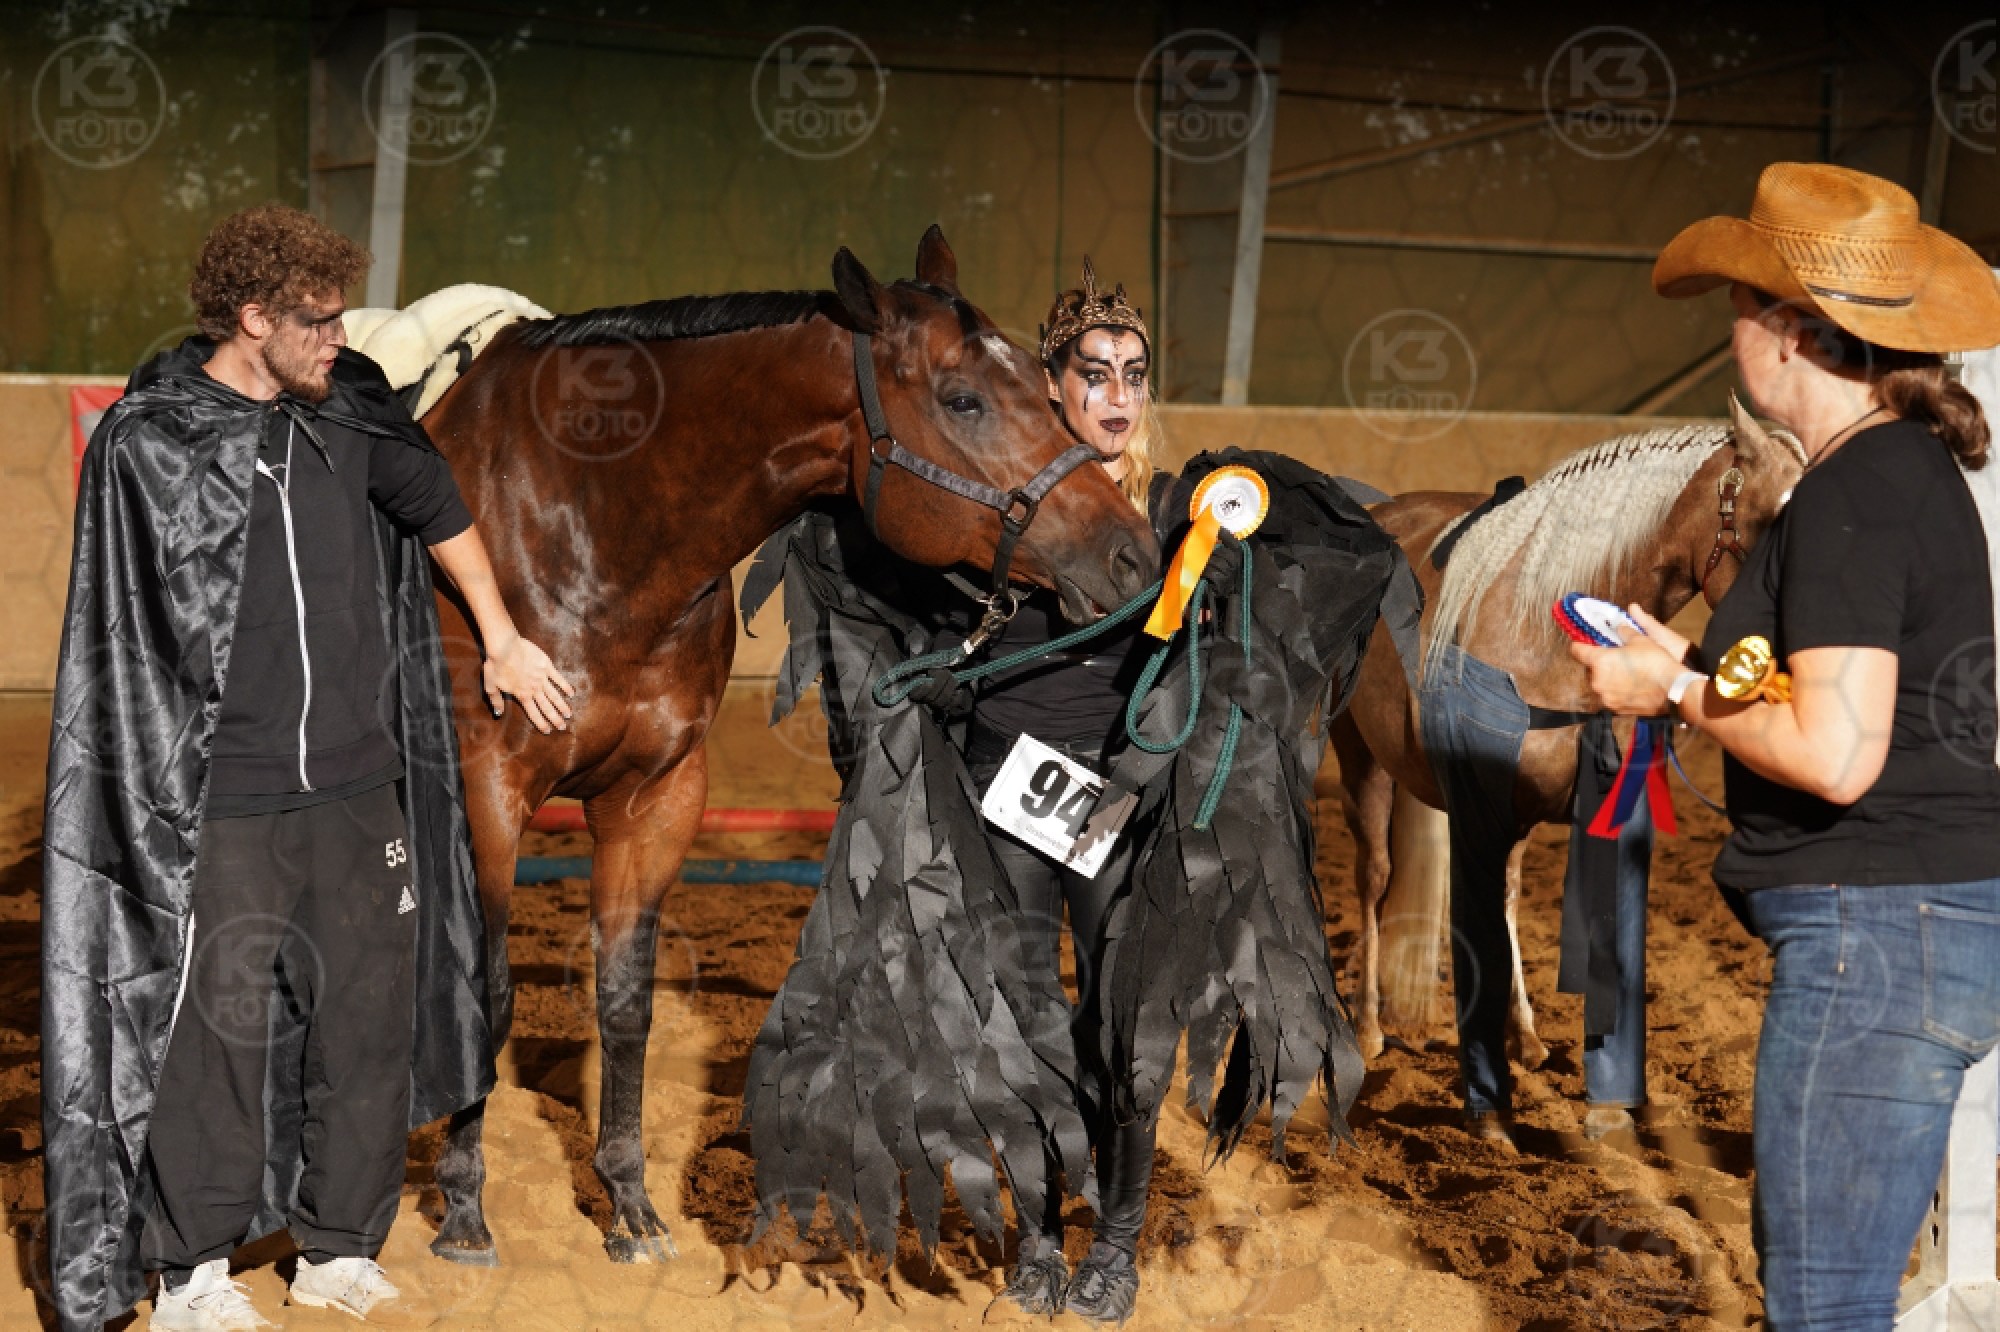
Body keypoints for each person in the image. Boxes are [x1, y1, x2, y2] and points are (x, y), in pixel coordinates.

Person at [42, 203, 572, 1332]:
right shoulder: (151, 440)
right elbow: (118, 630)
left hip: (359, 785)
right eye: (319, 321)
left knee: (366, 1021)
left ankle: (338, 1246)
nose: (341, 338)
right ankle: (193, 1269)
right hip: (223, 798)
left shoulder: (350, 416)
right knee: (218, 1032)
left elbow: (435, 505)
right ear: (253, 319)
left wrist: (502, 634)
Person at [1574, 162, 2000, 1329]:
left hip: (1873, 939)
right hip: (1914, 928)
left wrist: (1668, 687)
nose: (1729, 332)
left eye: (1739, 306)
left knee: (1820, 1311)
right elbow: (1841, 701)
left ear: (1788, 333)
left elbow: (1835, 755)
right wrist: (1691, 663)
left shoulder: (1853, 491)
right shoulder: (1893, 471)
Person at [968, 261, 1171, 1323]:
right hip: (1005, 779)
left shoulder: (1181, 508)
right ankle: (1040, 1235)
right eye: (1094, 374)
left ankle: (1119, 1243)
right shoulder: (1004, 496)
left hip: (1115, 790)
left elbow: (1208, 665)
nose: (1116, 395)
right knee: (1024, 1019)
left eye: (1133, 373)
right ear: (1051, 386)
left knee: (1124, 1020)